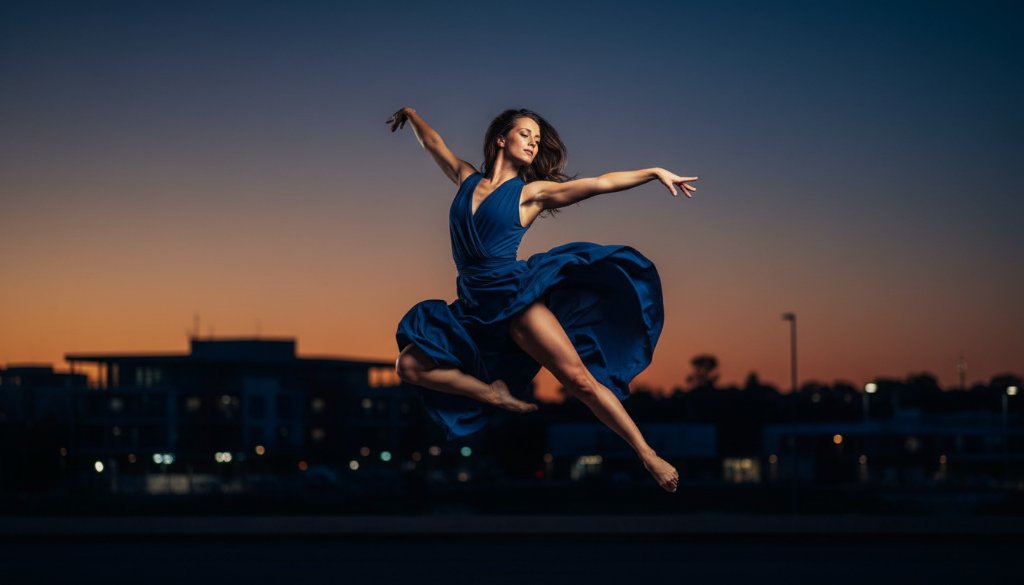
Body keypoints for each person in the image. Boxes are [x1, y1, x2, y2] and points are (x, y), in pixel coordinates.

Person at [389, 107, 697, 492]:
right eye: (526, 134)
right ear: (501, 139)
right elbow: (434, 144)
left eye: (537, 139)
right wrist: (413, 115)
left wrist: (654, 172)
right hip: (472, 308)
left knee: (579, 381)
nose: (534, 142)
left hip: (515, 301)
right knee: (409, 365)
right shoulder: (465, 178)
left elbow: (599, 183)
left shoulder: (531, 194)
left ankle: (646, 453)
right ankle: (492, 394)